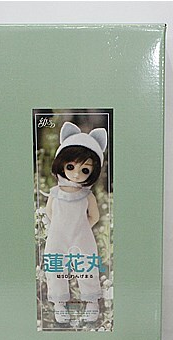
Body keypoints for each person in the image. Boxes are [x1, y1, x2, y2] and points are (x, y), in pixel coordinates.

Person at [44, 121, 107, 323]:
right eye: (70, 167)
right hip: (57, 236)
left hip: (81, 237)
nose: (77, 174)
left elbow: (94, 216)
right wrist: (60, 227)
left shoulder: (87, 196)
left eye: (85, 170)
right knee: (55, 267)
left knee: (86, 266)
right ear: (61, 164)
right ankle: (59, 304)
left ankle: (91, 302)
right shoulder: (55, 193)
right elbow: (50, 212)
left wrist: (81, 228)